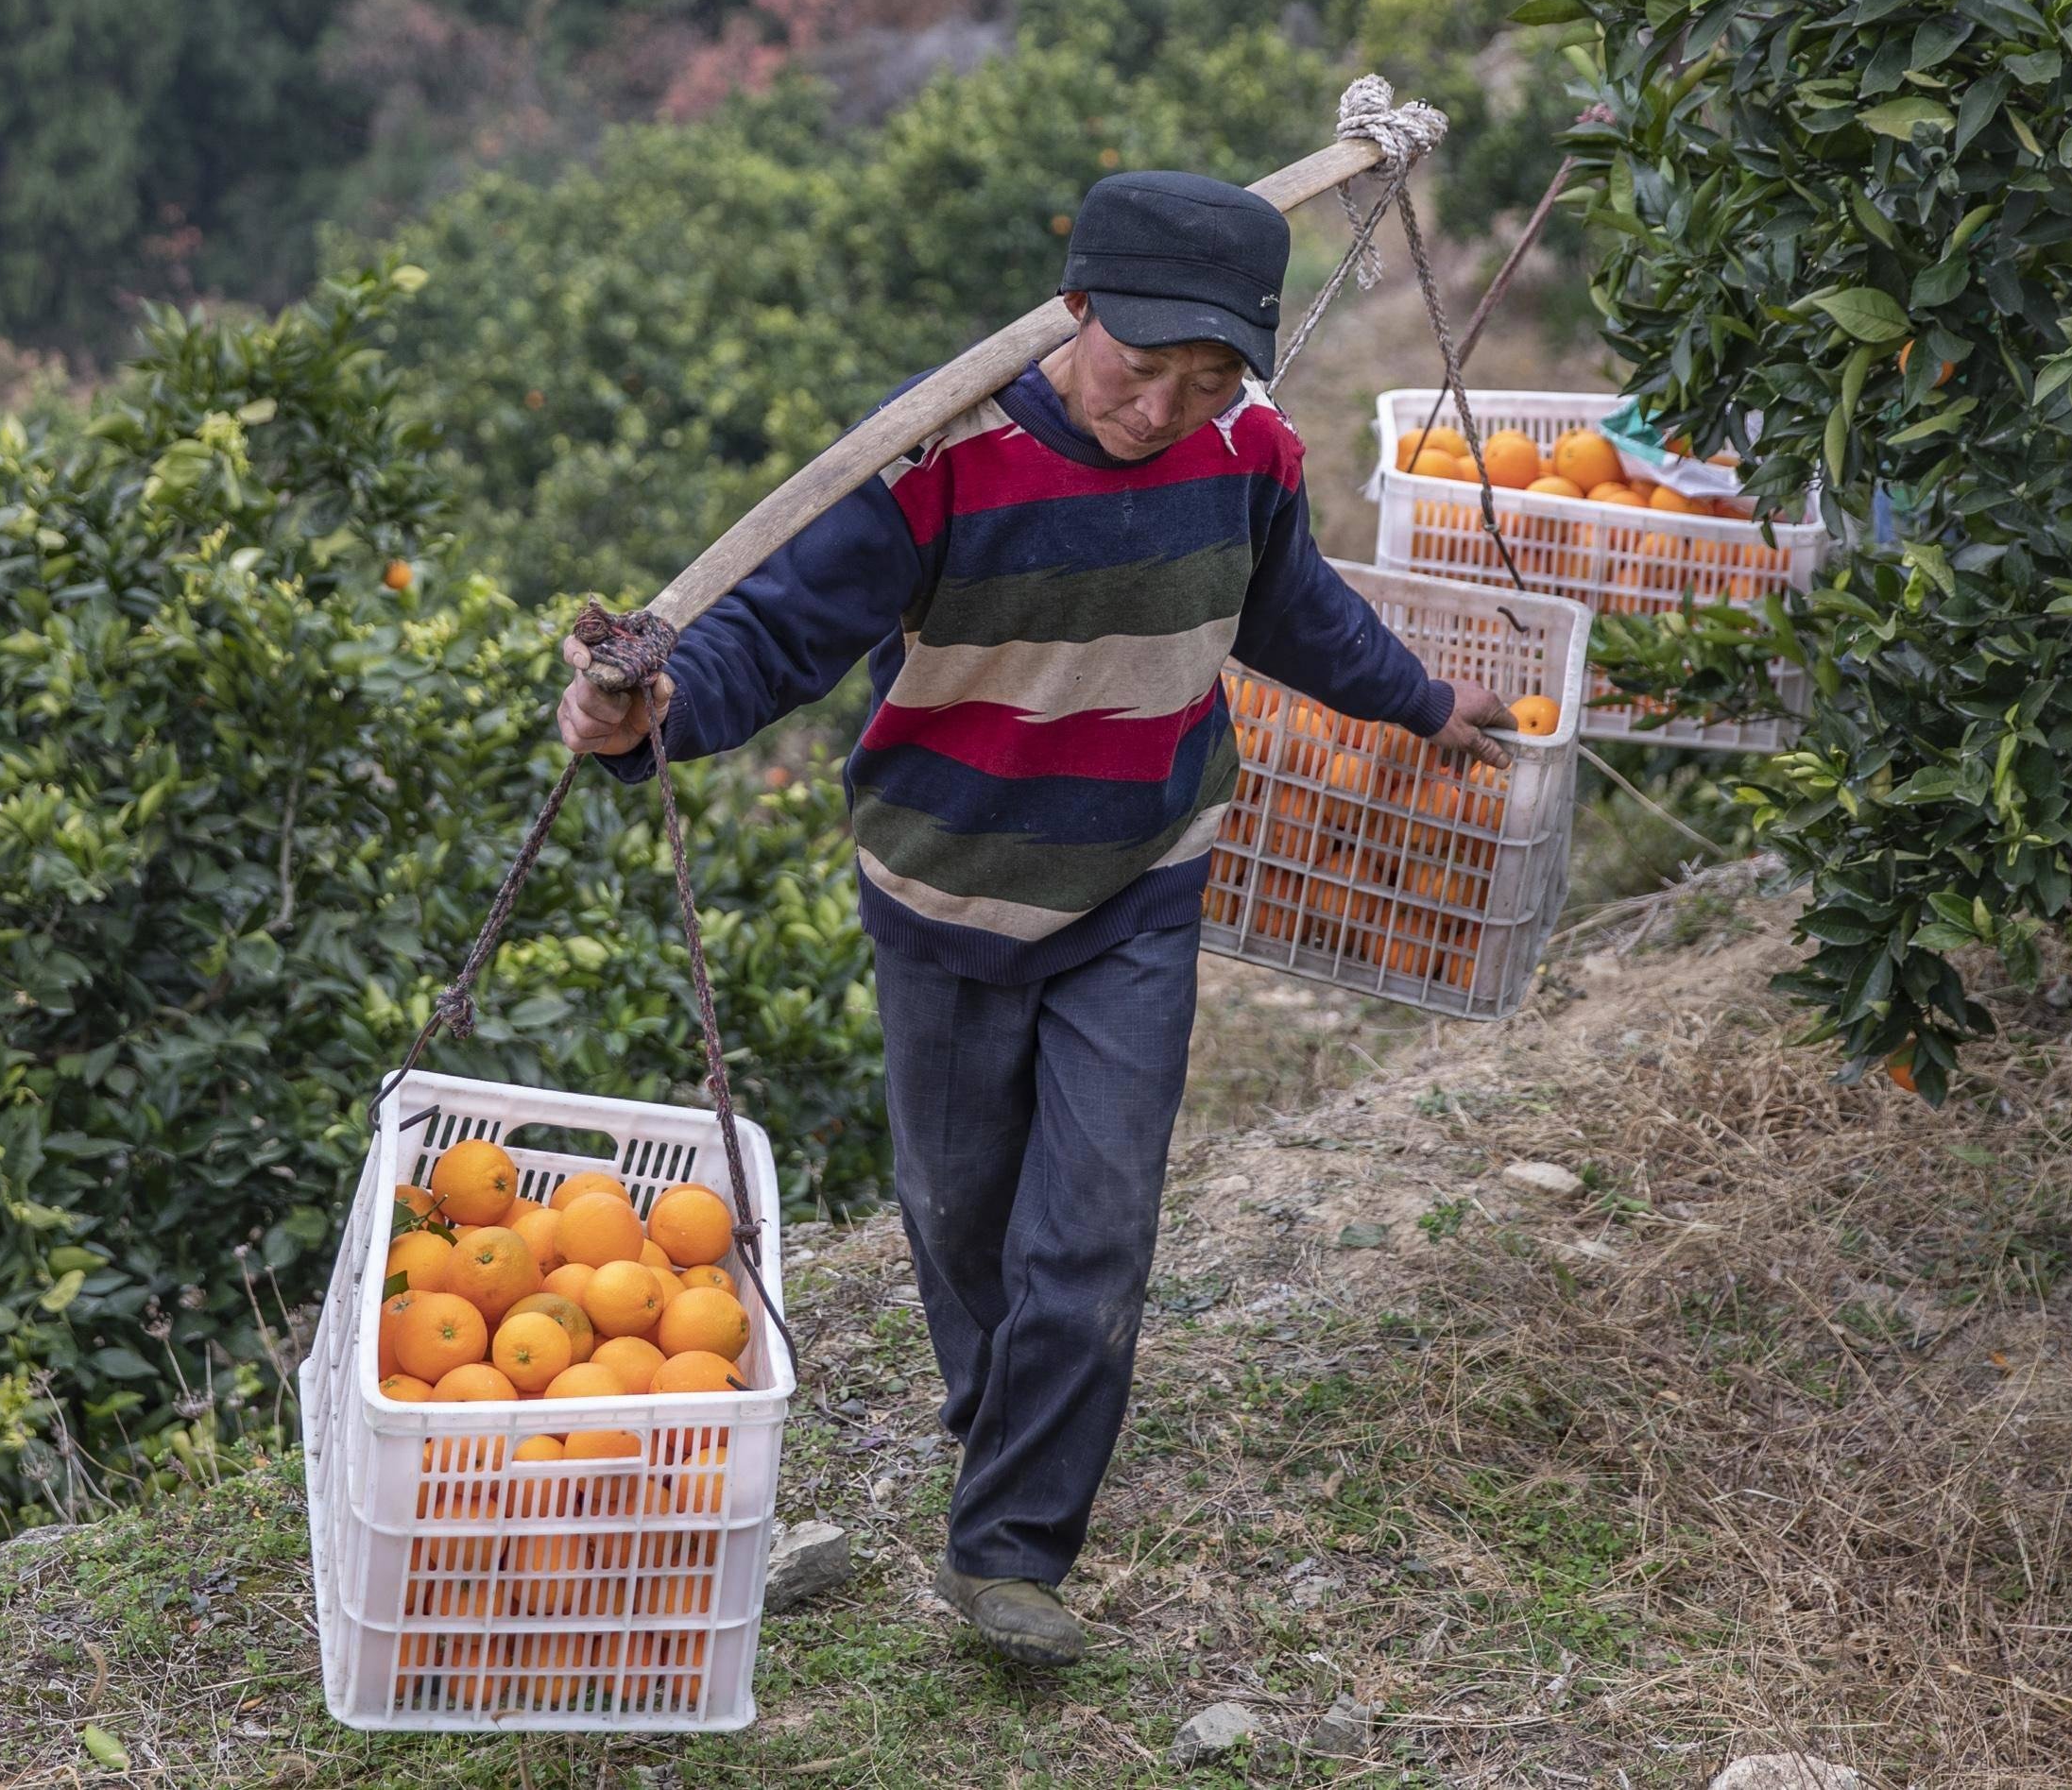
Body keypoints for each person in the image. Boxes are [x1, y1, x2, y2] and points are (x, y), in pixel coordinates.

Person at [557, 169, 1510, 1666]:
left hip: (1137, 883)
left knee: (1096, 1229)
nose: (1161, 409)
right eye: (1141, 370)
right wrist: (651, 715)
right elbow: (778, 633)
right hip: (943, 892)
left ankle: (1010, 1548)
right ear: (1074, 314)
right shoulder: (940, 459)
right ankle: (993, 1417)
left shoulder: (1244, 454)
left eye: (1206, 379)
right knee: (963, 1220)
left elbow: (1289, 608)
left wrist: (1423, 699)